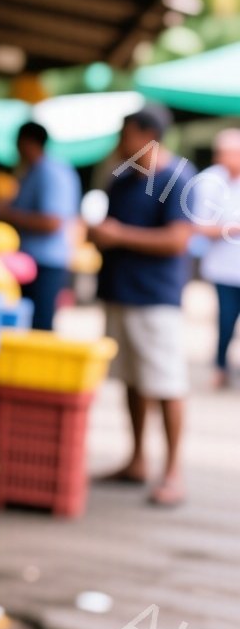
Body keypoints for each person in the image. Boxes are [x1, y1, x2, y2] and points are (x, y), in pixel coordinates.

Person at [91, 107, 195, 507]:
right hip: (119, 292)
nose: (119, 142)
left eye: (125, 134)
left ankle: (173, 472)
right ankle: (137, 459)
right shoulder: (122, 179)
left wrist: (119, 236)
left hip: (155, 298)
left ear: (146, 136)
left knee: (167, 383)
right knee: (132, 380)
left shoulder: (175, 179)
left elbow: (177, 240)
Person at [0, 122, 81, 331]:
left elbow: (52, 222)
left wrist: (8, 214)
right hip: (34, 263)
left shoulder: (50, 172)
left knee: (39, 327)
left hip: (45, 265)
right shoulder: (35, 171)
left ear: (25, 142)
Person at [191, 128, 240, 388]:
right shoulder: (208, 182)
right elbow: (197, 225)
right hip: (223, 268)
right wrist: (229, 229)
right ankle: (220, 366)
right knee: (225, 320)